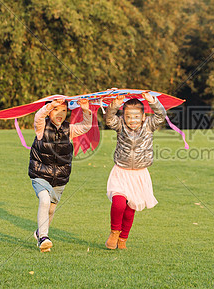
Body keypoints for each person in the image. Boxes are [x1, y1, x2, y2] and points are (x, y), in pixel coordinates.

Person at [103, 91, 165, 249]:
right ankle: (114, 232)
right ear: (123, 116)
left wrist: (152, 101)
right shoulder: (120, 125)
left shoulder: (149, 125)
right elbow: (109, 119)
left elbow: (160, 116)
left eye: (136, 116)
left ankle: (123, 238)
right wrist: (115, 105)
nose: (132, 120)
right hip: (121, 171)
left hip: (139, 174)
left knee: (131, 209)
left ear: (143, 117)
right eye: (128, 116)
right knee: (118, 204)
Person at [29, 98, 92, 252]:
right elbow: (38, 117)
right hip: (40, 173)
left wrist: (85, 110)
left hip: (60, 178)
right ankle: (43, 237)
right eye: (56, 110)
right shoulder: (41, 127)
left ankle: (39, 233)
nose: (60, 114)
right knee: (44, 200)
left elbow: (85, 126)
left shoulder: (69, 129)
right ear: (49, 111)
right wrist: (50, 105)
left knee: (51, 210)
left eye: (64, 111)